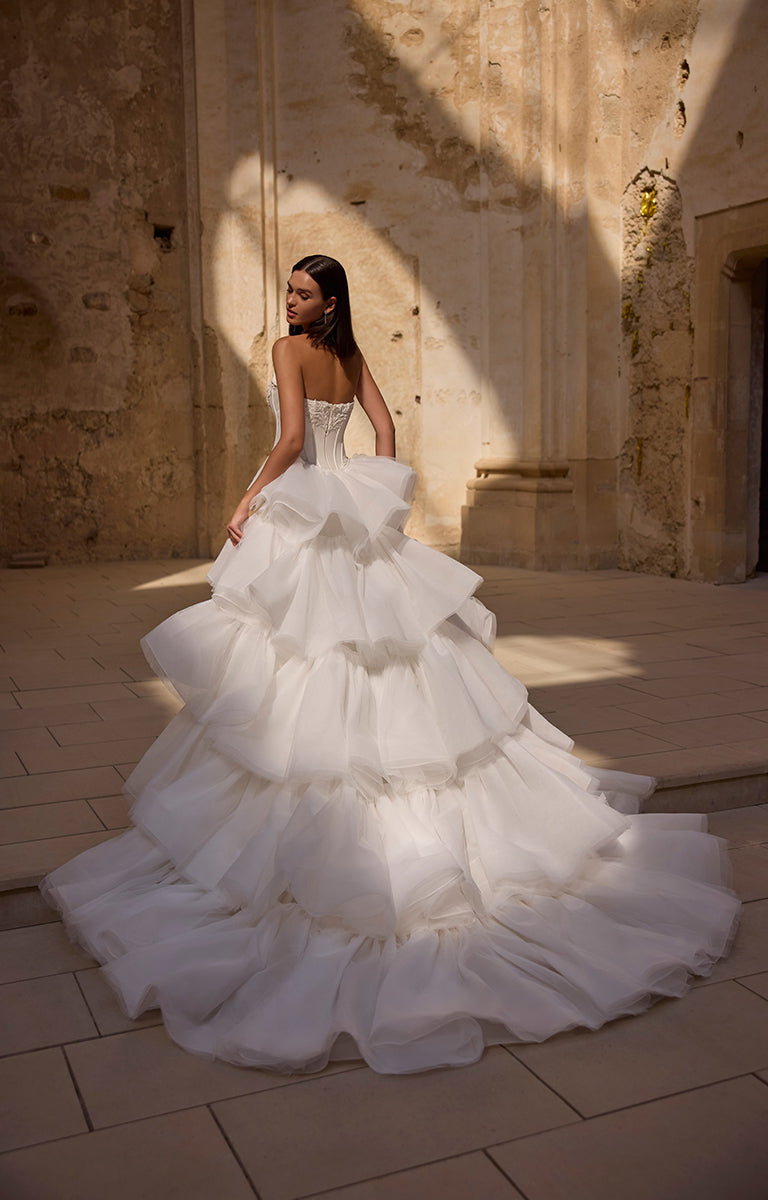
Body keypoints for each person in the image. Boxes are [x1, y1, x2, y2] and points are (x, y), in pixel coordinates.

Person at [41, 254, 739, 1075]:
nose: (290, 301)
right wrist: (366, 495)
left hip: (304, 508)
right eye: (289, 291)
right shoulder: (350, 353)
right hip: (352, 512)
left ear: (327, 301)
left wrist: (247, 498)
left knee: (303, 660)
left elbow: (290, 441)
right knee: (377, 660)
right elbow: (387, 435)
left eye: (303, 293)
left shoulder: (288, 350)